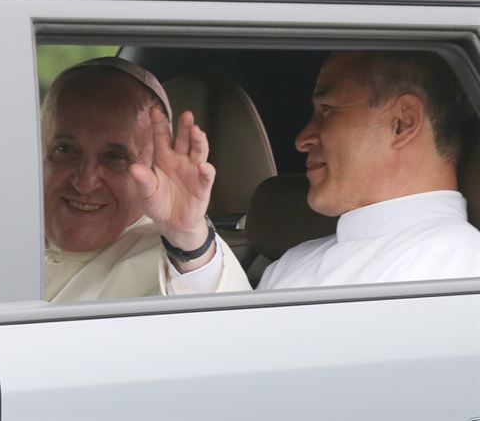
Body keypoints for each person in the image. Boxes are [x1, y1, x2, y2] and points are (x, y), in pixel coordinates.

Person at [170, 50, 479, 290]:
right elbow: (229, 348)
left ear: (403, 123)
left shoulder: (459, 271)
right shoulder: (294, 262)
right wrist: (188, 235)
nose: (302, 139)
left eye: (327, 110)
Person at [41, 56, 249, 302]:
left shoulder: (177, 258)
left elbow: (224, 325)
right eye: (65, 150)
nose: (85, 182)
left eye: (115, 157)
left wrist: (188, 236)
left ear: (156, 165)